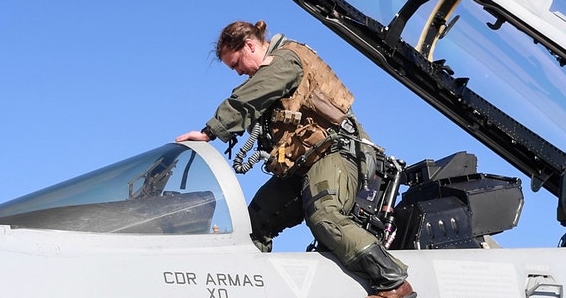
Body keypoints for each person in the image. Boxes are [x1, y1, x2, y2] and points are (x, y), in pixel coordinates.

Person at [176, 20, 416, 298]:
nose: (238, 72)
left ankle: (394, 283)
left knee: (324, 214)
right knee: (252, 225)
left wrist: (210, 132)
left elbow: (250, 98)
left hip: (336, 153)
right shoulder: (274, 68)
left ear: (251, 45)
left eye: (236, 63)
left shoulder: (286, 59)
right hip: (304, 165)